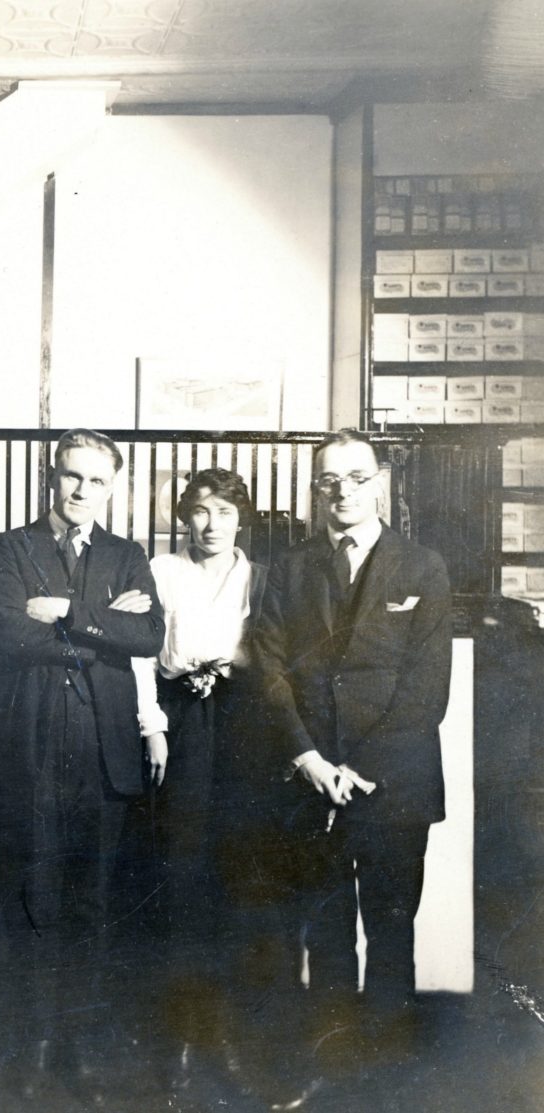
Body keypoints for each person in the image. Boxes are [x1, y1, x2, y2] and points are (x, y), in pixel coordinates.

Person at [252, 429, 452, 1089]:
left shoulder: (424, 566)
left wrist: (359, 768)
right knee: (327, 932)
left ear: (381, 481)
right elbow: (271, 669)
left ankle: (388, 1072)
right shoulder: (289, 567)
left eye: (356, 477)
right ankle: (335, 1067)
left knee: (392, 928)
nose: (343, 491)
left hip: (393, 781)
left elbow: (428, 689)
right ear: (317, 489)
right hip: (311, 779)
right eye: (329, 480)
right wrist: (310, 758)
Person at [0, 427, 165, 1102]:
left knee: (94, 902)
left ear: (111, 485)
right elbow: (9, 634)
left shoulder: (125, 552)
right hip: (32, 743)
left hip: (102, 745)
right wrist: (100, 628)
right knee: (34, 897)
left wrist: (65, 613)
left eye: (96, 479)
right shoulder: (9, 547)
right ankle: (32, 1042)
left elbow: (149, 634)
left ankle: (81, 1040)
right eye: (71, 476)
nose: (82, 490)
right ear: (49, 476)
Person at [130, 467, 267, 1091]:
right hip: (179, 723)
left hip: (243, 728)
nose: (211, 525)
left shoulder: (259, 577)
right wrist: (152, 723)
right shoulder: (160, 570)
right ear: (185, 517)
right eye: (201, 512)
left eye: (225, 513)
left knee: (238, 873)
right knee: (180, 872)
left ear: (243, 518)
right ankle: (179, 1032)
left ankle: (230, 1033)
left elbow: (273, 652)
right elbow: (137, 652)